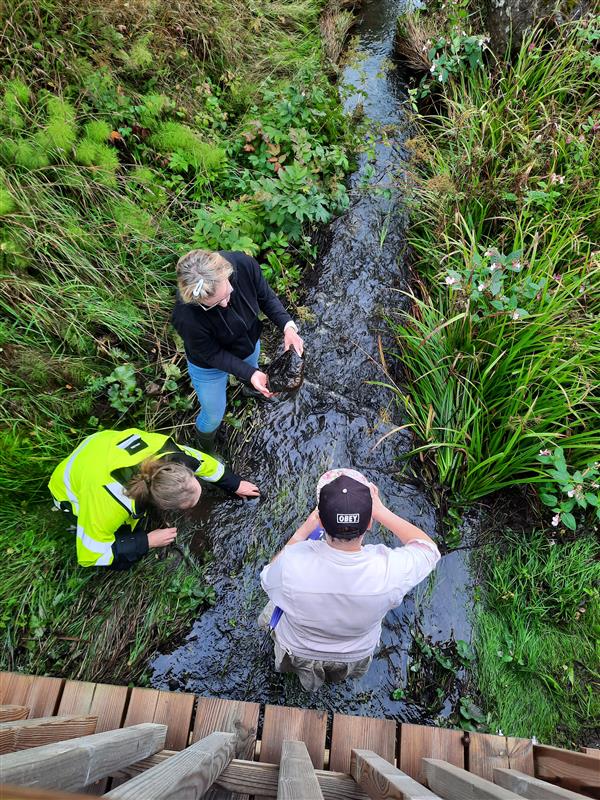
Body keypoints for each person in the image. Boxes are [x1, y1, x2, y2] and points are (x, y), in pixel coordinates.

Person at [259, 468, 440, 691]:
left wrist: (302, 532)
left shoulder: (291, 563)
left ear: (321, 523)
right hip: (354, 653)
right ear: (370, 523)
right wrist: (381, 511)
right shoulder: (390, 571)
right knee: (338, 675)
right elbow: (429, 550)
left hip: (299, 648)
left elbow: (267, 577)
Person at [49, 427, 259, 569]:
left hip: (98, 448)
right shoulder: (109, 503)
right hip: (68, 492)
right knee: (124, 559)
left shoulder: (167, 452)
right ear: (162, 504)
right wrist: (146, 541)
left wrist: (234, 483)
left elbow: (202, 463)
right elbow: (90, 554)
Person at [172, 249, 304, 452]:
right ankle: (205, 447)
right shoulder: (185, 316)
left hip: (247, 343)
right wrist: (250, 373)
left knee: (252, 369)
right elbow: (212, 354)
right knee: (213, 414)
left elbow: (265, 297)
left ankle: (250, 388)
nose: (225, 304)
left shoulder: (243, 265)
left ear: (227, 273)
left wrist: (288, 327)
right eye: (214, 305)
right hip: (208, 366)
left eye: (227, 294)